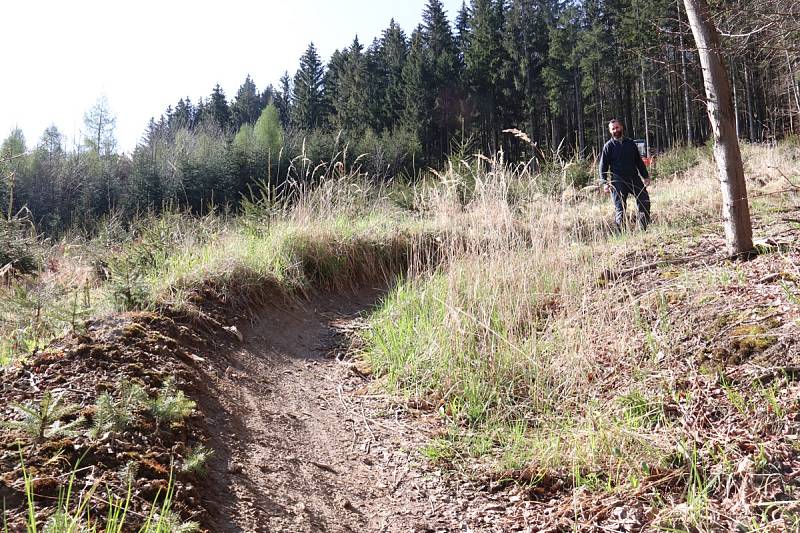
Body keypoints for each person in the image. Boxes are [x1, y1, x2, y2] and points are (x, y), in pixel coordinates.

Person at [598, 119, 651, 231]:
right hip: (617, 182)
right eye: (613, 129)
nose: (615, 130)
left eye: (617, 127)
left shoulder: (630, 143)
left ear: (621, 127)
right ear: (610, 131)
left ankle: (643, 229)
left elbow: (638, 162)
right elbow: (602, 166)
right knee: (620, 209)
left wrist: (645, 176)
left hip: (634, 178)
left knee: (644, 201)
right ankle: (620, 234)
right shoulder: (608, 146)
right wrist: (604, 183)